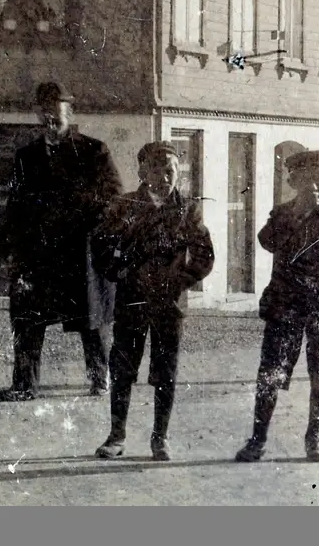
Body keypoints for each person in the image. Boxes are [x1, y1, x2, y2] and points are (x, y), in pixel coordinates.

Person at [0, 82, 123, 401]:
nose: (50, 120)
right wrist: (4, 248)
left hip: (80, 253)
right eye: (45, 114)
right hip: (37, 255)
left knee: (90, 322)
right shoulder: (27, 156)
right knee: (25, 319)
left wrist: (78, 212)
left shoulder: (94, 151)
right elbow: (15, 205)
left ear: (70, 113)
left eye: (57, 115)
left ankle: (100, 377)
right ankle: (24, 385)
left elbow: (114, 196)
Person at [236, 148, 319, 464]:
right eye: (307, 180)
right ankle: (257, 441)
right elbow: (266, 241)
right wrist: (292, 216)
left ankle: (314, 439)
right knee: (270, 374)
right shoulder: (281, 216)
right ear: (293, 181)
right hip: (285, 306)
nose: (315, 187)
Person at [91, 142, 214, 462]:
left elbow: (205, 255)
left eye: (171, 171)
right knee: (122, 370)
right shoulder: (125, 205)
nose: (164, 178)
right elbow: (100, 242)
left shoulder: (187, 210)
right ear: (143, 173)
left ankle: (160, 438)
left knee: (166, 371)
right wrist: (117, 272)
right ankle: (116, 436)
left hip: (168, 303)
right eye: (156, 171)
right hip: (132, 299)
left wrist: (179, 280)